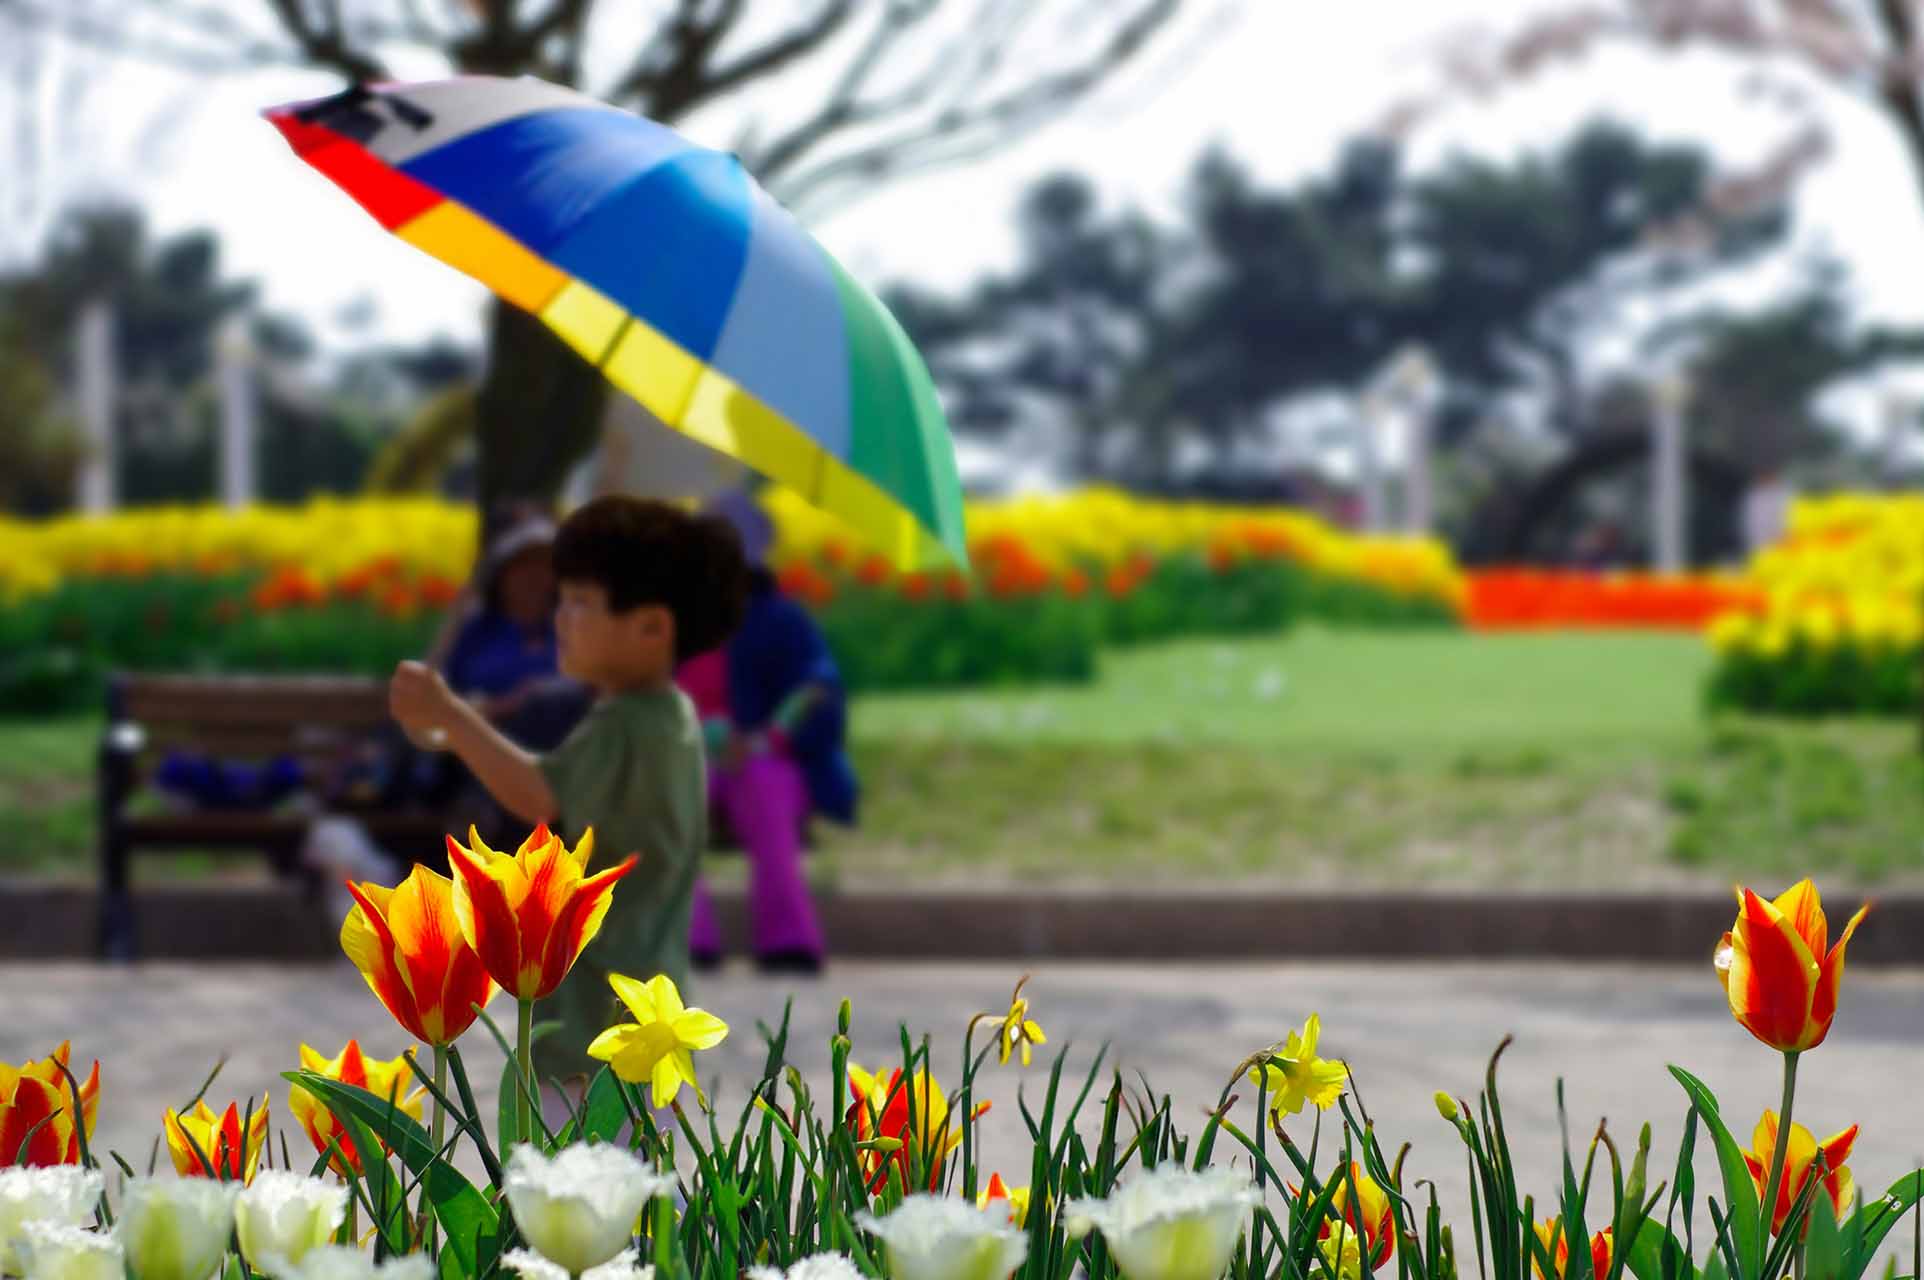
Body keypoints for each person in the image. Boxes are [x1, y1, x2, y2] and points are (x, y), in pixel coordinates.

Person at [388, 496, 747, 1080]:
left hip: (593, 1015)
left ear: (653, 627)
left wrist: (452, 716)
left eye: (581, 603)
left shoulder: (623, 724)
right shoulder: (672, 716)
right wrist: (445, 729)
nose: (561, 618)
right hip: (653, 1010)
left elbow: (537, 794)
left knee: (571, 1163)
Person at [682, 492, 857, 974]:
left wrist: (766, 738)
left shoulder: (783, 619)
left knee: (765, 786)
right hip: (685, 752)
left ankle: (787, 938)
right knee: (673, 787)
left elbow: (819, 685)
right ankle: (686, 937)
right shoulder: (670, 619)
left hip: (764, 757)